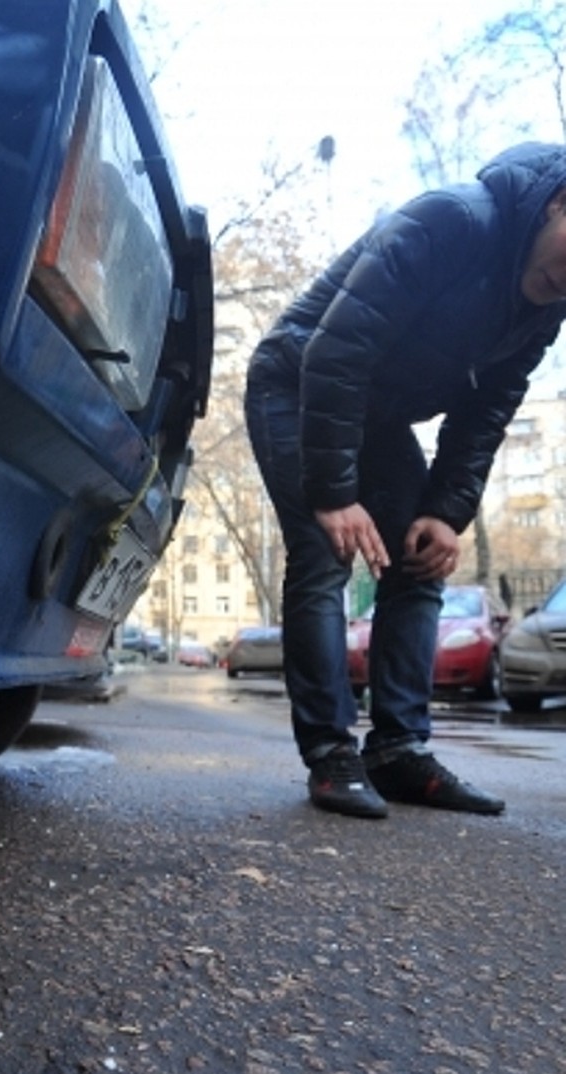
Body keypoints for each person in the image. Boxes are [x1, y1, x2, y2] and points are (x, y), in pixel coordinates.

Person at [244, 142, 566, 819]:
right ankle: (333, 754)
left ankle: (398, 751)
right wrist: (333, 493)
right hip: (300, 380)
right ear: (557, 207)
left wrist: (448, 512)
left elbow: (487, 412)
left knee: (423, 562)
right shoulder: (452, 221)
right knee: (322, 551)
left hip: (378, 413)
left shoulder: (544, 309)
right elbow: (337, 348)